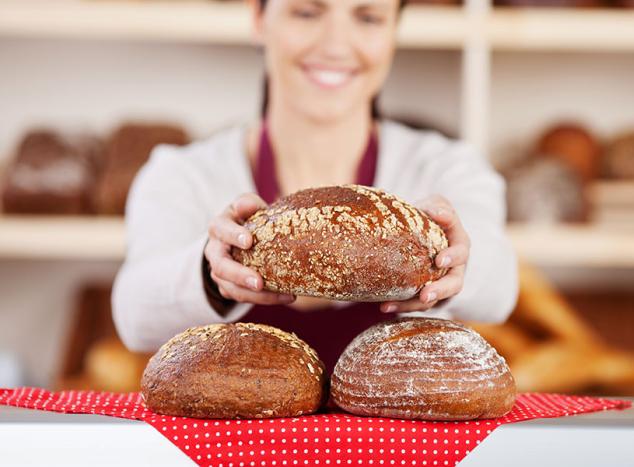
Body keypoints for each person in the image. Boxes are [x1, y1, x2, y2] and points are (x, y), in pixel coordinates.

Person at [113, 0, 518, 368]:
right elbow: (134, 316)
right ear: (258, 19)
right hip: (234, 445)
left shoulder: (448, 167)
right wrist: (211, 269)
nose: (336, 44)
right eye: (307, 12)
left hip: (394, 448)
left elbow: (500, 291)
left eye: (369, 17)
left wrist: (454, 264)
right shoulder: (184, 173)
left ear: (394, 32)